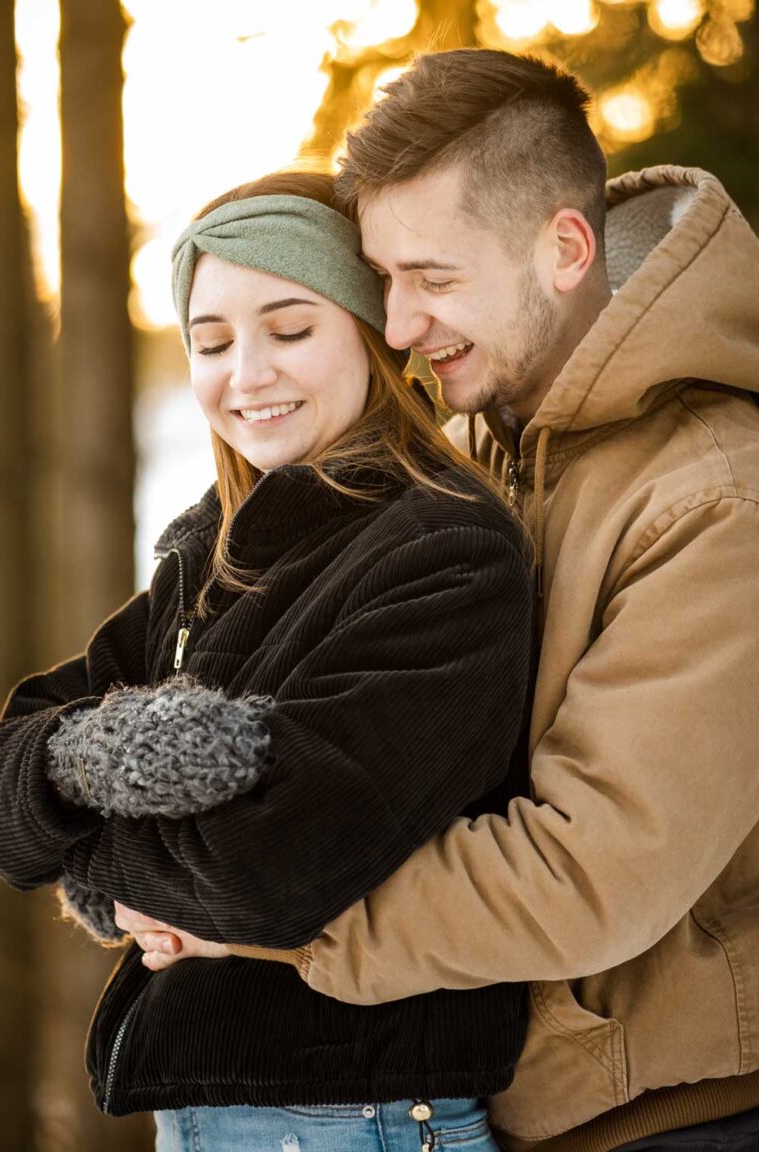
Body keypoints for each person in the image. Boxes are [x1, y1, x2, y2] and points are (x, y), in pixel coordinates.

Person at [145, 49, 759, 1152]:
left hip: (669, 1118)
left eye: (432, 277)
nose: (400, 323)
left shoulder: (716, 496)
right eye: (382, 279)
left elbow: (587, 868)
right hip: (496, 1100)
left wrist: (254, 910)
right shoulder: (479, 446)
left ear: (565, 250)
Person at [0, 170, 534, 1152]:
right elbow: (2, 783)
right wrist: (98, 758)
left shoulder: (445, 552)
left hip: (356, 1116)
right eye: (211, 342)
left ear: (369, 334)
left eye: (290, 331)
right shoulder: (218, 550)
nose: (247, 374)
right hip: (214, 1114)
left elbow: (269, 872)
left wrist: (111, 865)